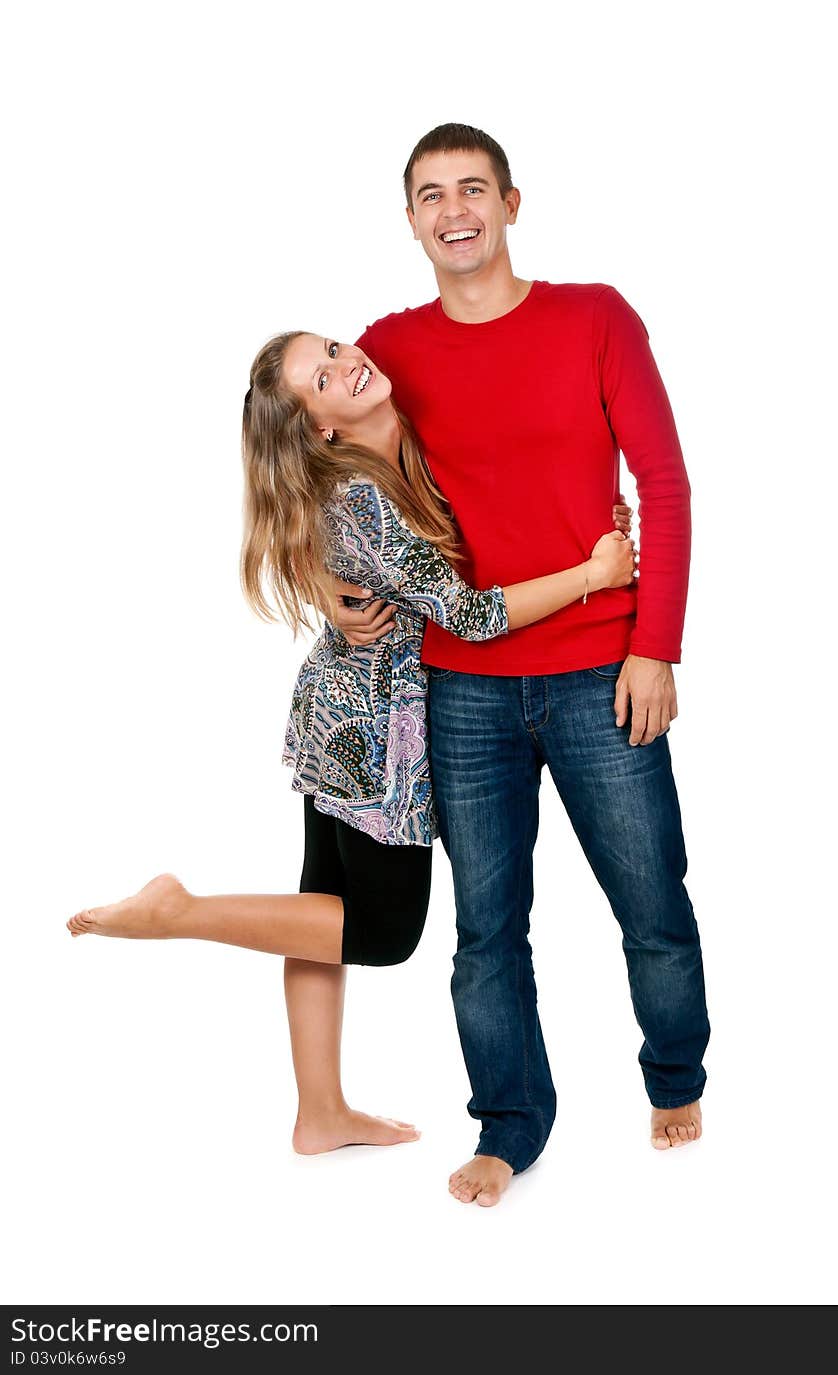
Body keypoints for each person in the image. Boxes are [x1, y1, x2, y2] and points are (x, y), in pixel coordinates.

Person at [66, 328, 635, 1159]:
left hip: (339, 705)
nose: (345, 363)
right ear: (320, 425)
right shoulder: (361, 497)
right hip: (376, 729)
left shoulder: (383, 443)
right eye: (320, 377)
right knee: (381, 929)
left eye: (331, 347)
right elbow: (473, 617)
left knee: (315, 907)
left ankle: (320, 1111)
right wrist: (593, 576)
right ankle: (181, 911)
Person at [332, 123, 711, 1206]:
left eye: (472, 189)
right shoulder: (388, 347)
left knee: (651, 899)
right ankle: (509, 1122)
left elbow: (667, 486)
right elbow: (308, 468)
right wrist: (329, 584)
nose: (454, 210)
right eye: (430, 195)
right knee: (486, 927)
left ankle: (674, 1073)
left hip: (602, 670)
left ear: (509, 201)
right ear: (409, 219)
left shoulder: (593, 316)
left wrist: (656, 644)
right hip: (461, 684)